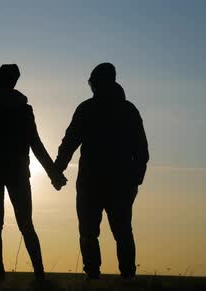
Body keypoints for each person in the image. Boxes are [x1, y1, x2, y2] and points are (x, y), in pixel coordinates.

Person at [0, 64, 66, 281]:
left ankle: (0, 275)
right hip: (18, 173)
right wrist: (53, 173)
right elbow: (35, 144)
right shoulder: (23, 109)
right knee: (26, 224)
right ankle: (39, 274)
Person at [52, 63, 149, 279]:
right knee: (120, 232)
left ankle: (96, 276)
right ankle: (125, 278)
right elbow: (142, 151)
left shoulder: (88, 109)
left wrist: (58, 171)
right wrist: (136, 178)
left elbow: (69, 143)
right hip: (115, 183)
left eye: (93, 83)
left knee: (93, 233)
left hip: (95, 183)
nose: (92, 87)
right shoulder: (128, 110)